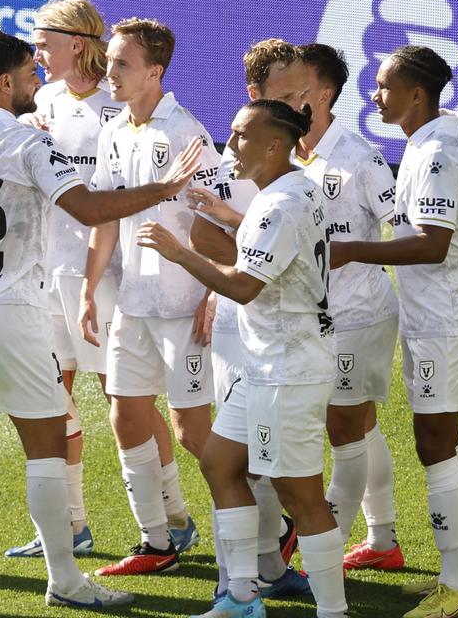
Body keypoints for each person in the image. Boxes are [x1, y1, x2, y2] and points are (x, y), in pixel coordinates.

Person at [0, 29, 208, 611]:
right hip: (12, 313)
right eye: (29, 72)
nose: (38, 80)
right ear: (5, 82)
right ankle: (65, 580)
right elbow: (90, 208)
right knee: (45, 448)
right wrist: (165, 188)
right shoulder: (26, 142)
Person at [138, 99, 348, 618]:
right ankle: (242, 596)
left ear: (274, 145)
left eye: (239, 135)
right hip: (265, 364)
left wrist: (180, 251)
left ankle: (334, 611)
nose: (229, 145)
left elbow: (244, 286)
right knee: (219, 462)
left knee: (301, 498)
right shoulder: (288, 191)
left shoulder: (280, 205)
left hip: (287, 370)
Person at [332, 45, 458, 618]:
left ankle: (453, 587)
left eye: (383, 85)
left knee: (434, 441)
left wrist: (351, 249)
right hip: (439, 312)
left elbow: (430, 243)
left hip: (445, 318)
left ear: (416, 94)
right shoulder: (431, 140)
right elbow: (454, 231)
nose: (374, 94)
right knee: (447, 434)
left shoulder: (435, 151)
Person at [79, 17, 223, 577]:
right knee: (126, 414)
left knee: (192, 430)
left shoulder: (186, 134)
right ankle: (157, 539)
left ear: (154, 72)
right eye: (110, 61)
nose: (108, 72)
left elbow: (219, 220)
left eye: (121, 64)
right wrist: (91, 288)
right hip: (133, 303)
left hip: (183, 305)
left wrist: (214, 292)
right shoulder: (115, 129)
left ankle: (269, 526)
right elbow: (108, 215)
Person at [189, 39, 310, 602]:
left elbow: (285, 245)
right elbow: (203, 235)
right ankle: (250, 579)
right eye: (288, 92)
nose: (301, 102)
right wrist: (241, 242)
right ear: (257, 94)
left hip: (286, 338)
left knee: (271, 464)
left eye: (303, 91)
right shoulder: (230, 158)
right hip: (240, 324)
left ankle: (263, 574)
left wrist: (242, 235)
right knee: (233, 457)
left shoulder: (300, 170)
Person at [2, 0, 123, 559]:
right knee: (52, 403)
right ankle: (70, 525)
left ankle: (168, 520)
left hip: (105, 278)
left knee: (126, 403)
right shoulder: (41, 101)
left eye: (43, 41)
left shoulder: (118, 109)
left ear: (77, 44)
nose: (36, 52)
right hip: (43, 276)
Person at [292, 43, 404, 571]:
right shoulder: (284, 151)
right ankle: (382, 542)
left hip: (358, 315)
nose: (288, 93)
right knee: (360, 426)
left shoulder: (358, 158)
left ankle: (324, 546)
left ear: (324, 94)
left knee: (343, 426)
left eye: (299, 86)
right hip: (309, 315)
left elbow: (409, 226)